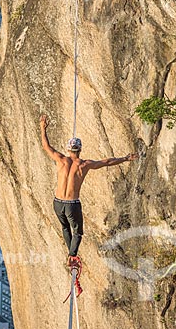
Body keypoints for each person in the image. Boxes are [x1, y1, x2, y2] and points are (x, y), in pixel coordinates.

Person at [40, 114, 138, 266]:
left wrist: (42, 128)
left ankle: (71, 254)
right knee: (77, 232)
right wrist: (125, 158)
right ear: (80, 150)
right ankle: (72, 255)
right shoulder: (84, 165)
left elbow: (46, 146)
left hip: (58, 203)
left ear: (68, 149)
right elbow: (106, 162)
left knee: (65, 227)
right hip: (72, 204)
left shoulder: (61, 159)